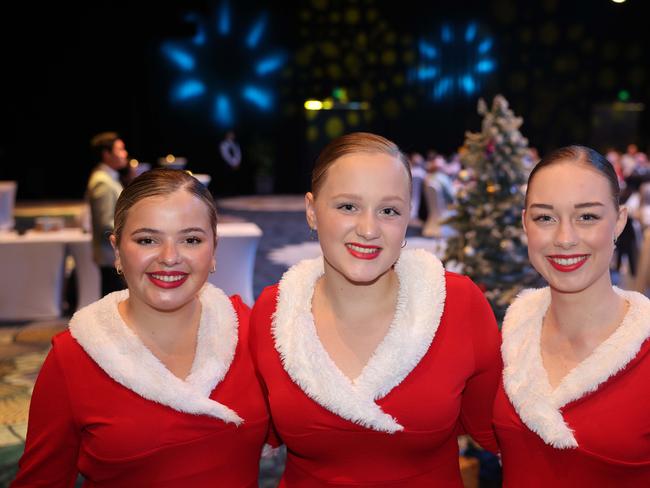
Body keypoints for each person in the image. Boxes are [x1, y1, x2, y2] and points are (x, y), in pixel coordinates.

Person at [250, 132, 501, 486]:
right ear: (311, 211)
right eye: (348, 206)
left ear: (407, 218)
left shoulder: (458, 305)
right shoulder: (273, 314)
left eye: (388, 210)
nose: (368, 229)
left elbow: (505, 434)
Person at [13, 169, 269, 487]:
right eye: (147, 239)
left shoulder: (250, 331)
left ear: (213, 249)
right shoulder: (74, 357)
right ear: (117, 250)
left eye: (190, 240)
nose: (169, 257)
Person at [493, 145, 650, 486]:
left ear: (619, 222)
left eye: (587, 217)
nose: (565, 238)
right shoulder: (508, 338)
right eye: (545, 218)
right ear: (525, 224)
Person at [86, 131, 128, 296]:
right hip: (110, 255)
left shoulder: (108, 178)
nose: (124, 154)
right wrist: (132, 231)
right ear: (106, 154)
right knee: (113, 304)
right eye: (120, 149)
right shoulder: (101, 181)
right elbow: (105, 222)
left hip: (113, 254)